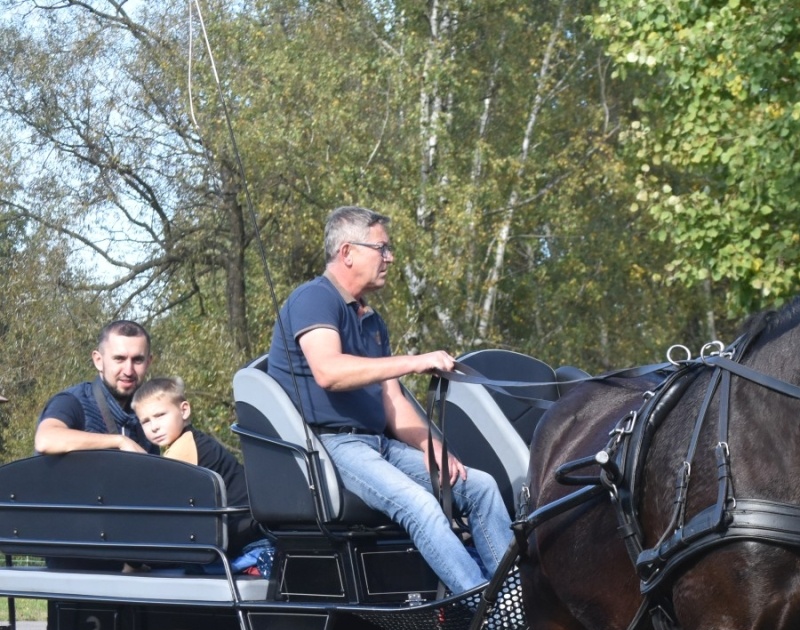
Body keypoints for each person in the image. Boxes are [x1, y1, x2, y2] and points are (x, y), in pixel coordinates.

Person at [265, 205, 514, 596]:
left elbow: (392, 402)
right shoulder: (313, 300)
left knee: (479, 486)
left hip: (379, 445)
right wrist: (417, 361)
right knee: (420, 505)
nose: (390, 257)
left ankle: (515, 601)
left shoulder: (372, 321)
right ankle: (488, 613)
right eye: (382, 248)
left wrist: (432, 446)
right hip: (331, 446)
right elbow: (329, 371)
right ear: (348, 252)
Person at [131, 376, 265, 552]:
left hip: (240, 529)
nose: (154, 426)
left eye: (160, 415)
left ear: (184, 410)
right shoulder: (189, 439)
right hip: (241, 524)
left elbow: (160, 501)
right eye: (146, 421)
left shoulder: (185, 447)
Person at [35, 320, 157, 455]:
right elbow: (46, 440)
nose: (128, 371)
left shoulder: (149, 415)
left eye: (137, 360)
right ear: (98, 361)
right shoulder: (72, 402)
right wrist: (120, 442)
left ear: (148, 362)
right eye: (119, 359)